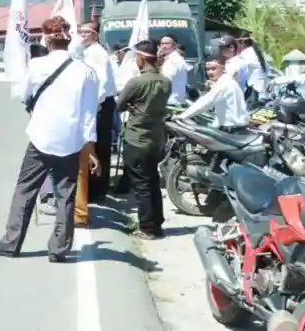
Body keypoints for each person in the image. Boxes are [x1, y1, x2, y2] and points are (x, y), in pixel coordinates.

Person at [0, 17, 99, 263]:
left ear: (46, 39)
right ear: (68, 40)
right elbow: (90, 116)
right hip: (71, 142)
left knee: (25, 190)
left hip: (41, 138)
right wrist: (91, 150)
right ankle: (59, 249)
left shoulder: (36, 66)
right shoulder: (87, 72)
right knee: (65, 195)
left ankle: (11, 243)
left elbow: (23, 94)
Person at [116, 39, 171, 240]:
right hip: (156, 138)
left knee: (141, 185)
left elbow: (119, 105)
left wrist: (131, 106)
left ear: (141, 58)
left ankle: (148, 228)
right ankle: (157, 222)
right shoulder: (165, 81)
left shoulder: (136, 82)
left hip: (137, 138)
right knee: (152, 180)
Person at [75, 23, 117, 204]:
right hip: (98, 103)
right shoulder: (88, 51)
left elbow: (100, 81)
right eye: (81, 32)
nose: (83, 35)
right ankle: (94, 187)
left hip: (100, 104)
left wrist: (94, 106)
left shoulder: (97, 53)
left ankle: (98, 190)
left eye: (87, 32)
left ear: (95, 34)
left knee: (98, 147)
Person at [175, 54, 249, 129]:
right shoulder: (226, 81)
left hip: (232, 130)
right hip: (235, 127)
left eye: (214, 69)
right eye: (207, 69)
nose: (210, 72)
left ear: (224, 69)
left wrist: (182, 116)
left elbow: (206, 102)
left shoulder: (223, 84)